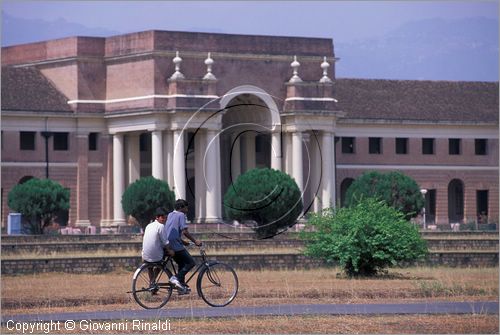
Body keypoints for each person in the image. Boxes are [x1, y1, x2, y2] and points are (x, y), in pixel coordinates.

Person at [165, 199, 202, 293]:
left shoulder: (170, 214)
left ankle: (181, 287)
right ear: (181, 208)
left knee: (182, 264)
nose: (187, 210)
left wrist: (183, 242)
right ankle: (175, 278)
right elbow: (185, 231)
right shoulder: (181, 215)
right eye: (186, 207)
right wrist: (195, 241)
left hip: (168, 244)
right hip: (175, 245)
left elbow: (171, 231)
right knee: (191, 262)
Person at [141, 207, 174, 293]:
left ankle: (152, 284)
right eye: (163, 217)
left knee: (150, 266)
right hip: (155, 255)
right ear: (157, 217)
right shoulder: (161, 226)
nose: (164, 219)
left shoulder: (148, 225)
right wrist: (171, 251)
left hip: (145, 254)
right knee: (161, 263)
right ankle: (152, 283)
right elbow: (166, 242)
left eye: (166, 218)